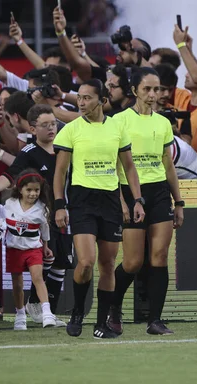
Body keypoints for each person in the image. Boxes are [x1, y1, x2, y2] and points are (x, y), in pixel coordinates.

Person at [53, 79, 145, 339]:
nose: (81, 102)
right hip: (82, 201)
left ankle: (101, 323)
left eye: (87, 98)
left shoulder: (116, 128)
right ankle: (77, 313)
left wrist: (137, 200)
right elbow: (60, 173)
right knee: (85, 262)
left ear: (101, 100)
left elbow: (128, 167)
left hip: (110, 202)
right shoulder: (70, 130)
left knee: (107, 265)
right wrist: (60, 204)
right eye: (79, 98)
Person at [105, 68, 184, 336]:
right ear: (135, 90)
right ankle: (113, 308)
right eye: (147, 89)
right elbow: (112, 165)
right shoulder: (118, 121)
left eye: (157, 89)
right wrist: (122, 202)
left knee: (159, 257)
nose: (153, 95)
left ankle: (155, 320)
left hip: (159, 192)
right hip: (128, 192)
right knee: (133, 263)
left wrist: (179, 201)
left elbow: (168, 164)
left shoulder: (163, 123)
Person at [0, 104, 72, 327]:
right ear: (33, 129)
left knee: (61, 262)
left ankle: (45, 309)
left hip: (67, 210)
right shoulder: (29, 152)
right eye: (45, 125)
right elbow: (11, 174)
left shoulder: (66, 147)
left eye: (54, 124)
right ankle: (35, 306)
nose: (51, 129)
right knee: (46, 261)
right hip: (43, 216)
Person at [0, 170, 56, 330]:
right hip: (14, 249)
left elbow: (44, 229)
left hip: (33, 249)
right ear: (20, 189)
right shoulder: (9, 204)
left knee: (38, 278)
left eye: (37, 190)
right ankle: (20, 314)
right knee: (17, 284)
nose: (33, 193)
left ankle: (47, 313)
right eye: (29, 190)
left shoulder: (42, 208)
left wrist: (46, 247)